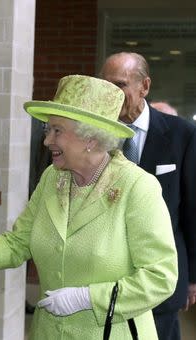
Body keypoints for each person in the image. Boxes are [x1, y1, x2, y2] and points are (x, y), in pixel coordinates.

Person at [0, 75, 178, 339]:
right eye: (47, 129)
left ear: (90, 139)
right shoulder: (52, 177)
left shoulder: (137, 186)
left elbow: (161, 276)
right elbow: (19, 241)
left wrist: (87, 298)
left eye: (56, 131)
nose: (47, 140)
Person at [100, 52, 196, 340]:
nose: (111, 94)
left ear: (145, 86)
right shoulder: (93, 133)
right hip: (106, 278)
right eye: (105, 85)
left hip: (160, 280)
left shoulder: (182, 134)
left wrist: (193, 277)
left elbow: (192, 210)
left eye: (120, 85)